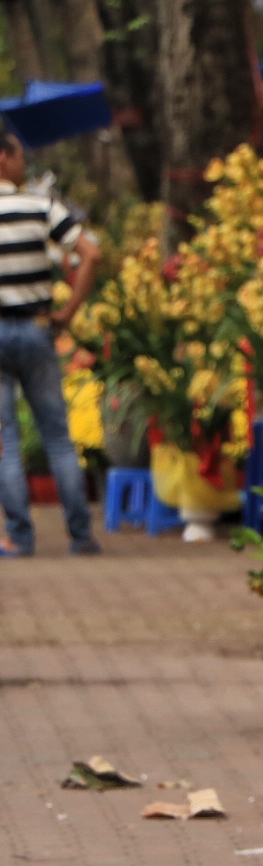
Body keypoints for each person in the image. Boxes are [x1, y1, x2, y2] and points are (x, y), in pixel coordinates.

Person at [0, 122, 102, 557]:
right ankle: (81, 536)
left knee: (4, 440)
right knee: (57, 436)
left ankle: (20, 538)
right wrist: (68, 312)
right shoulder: (42, 206)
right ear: (3, 158)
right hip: (39, 328)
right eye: (20, 155)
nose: (25, 163)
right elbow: (90, 253)